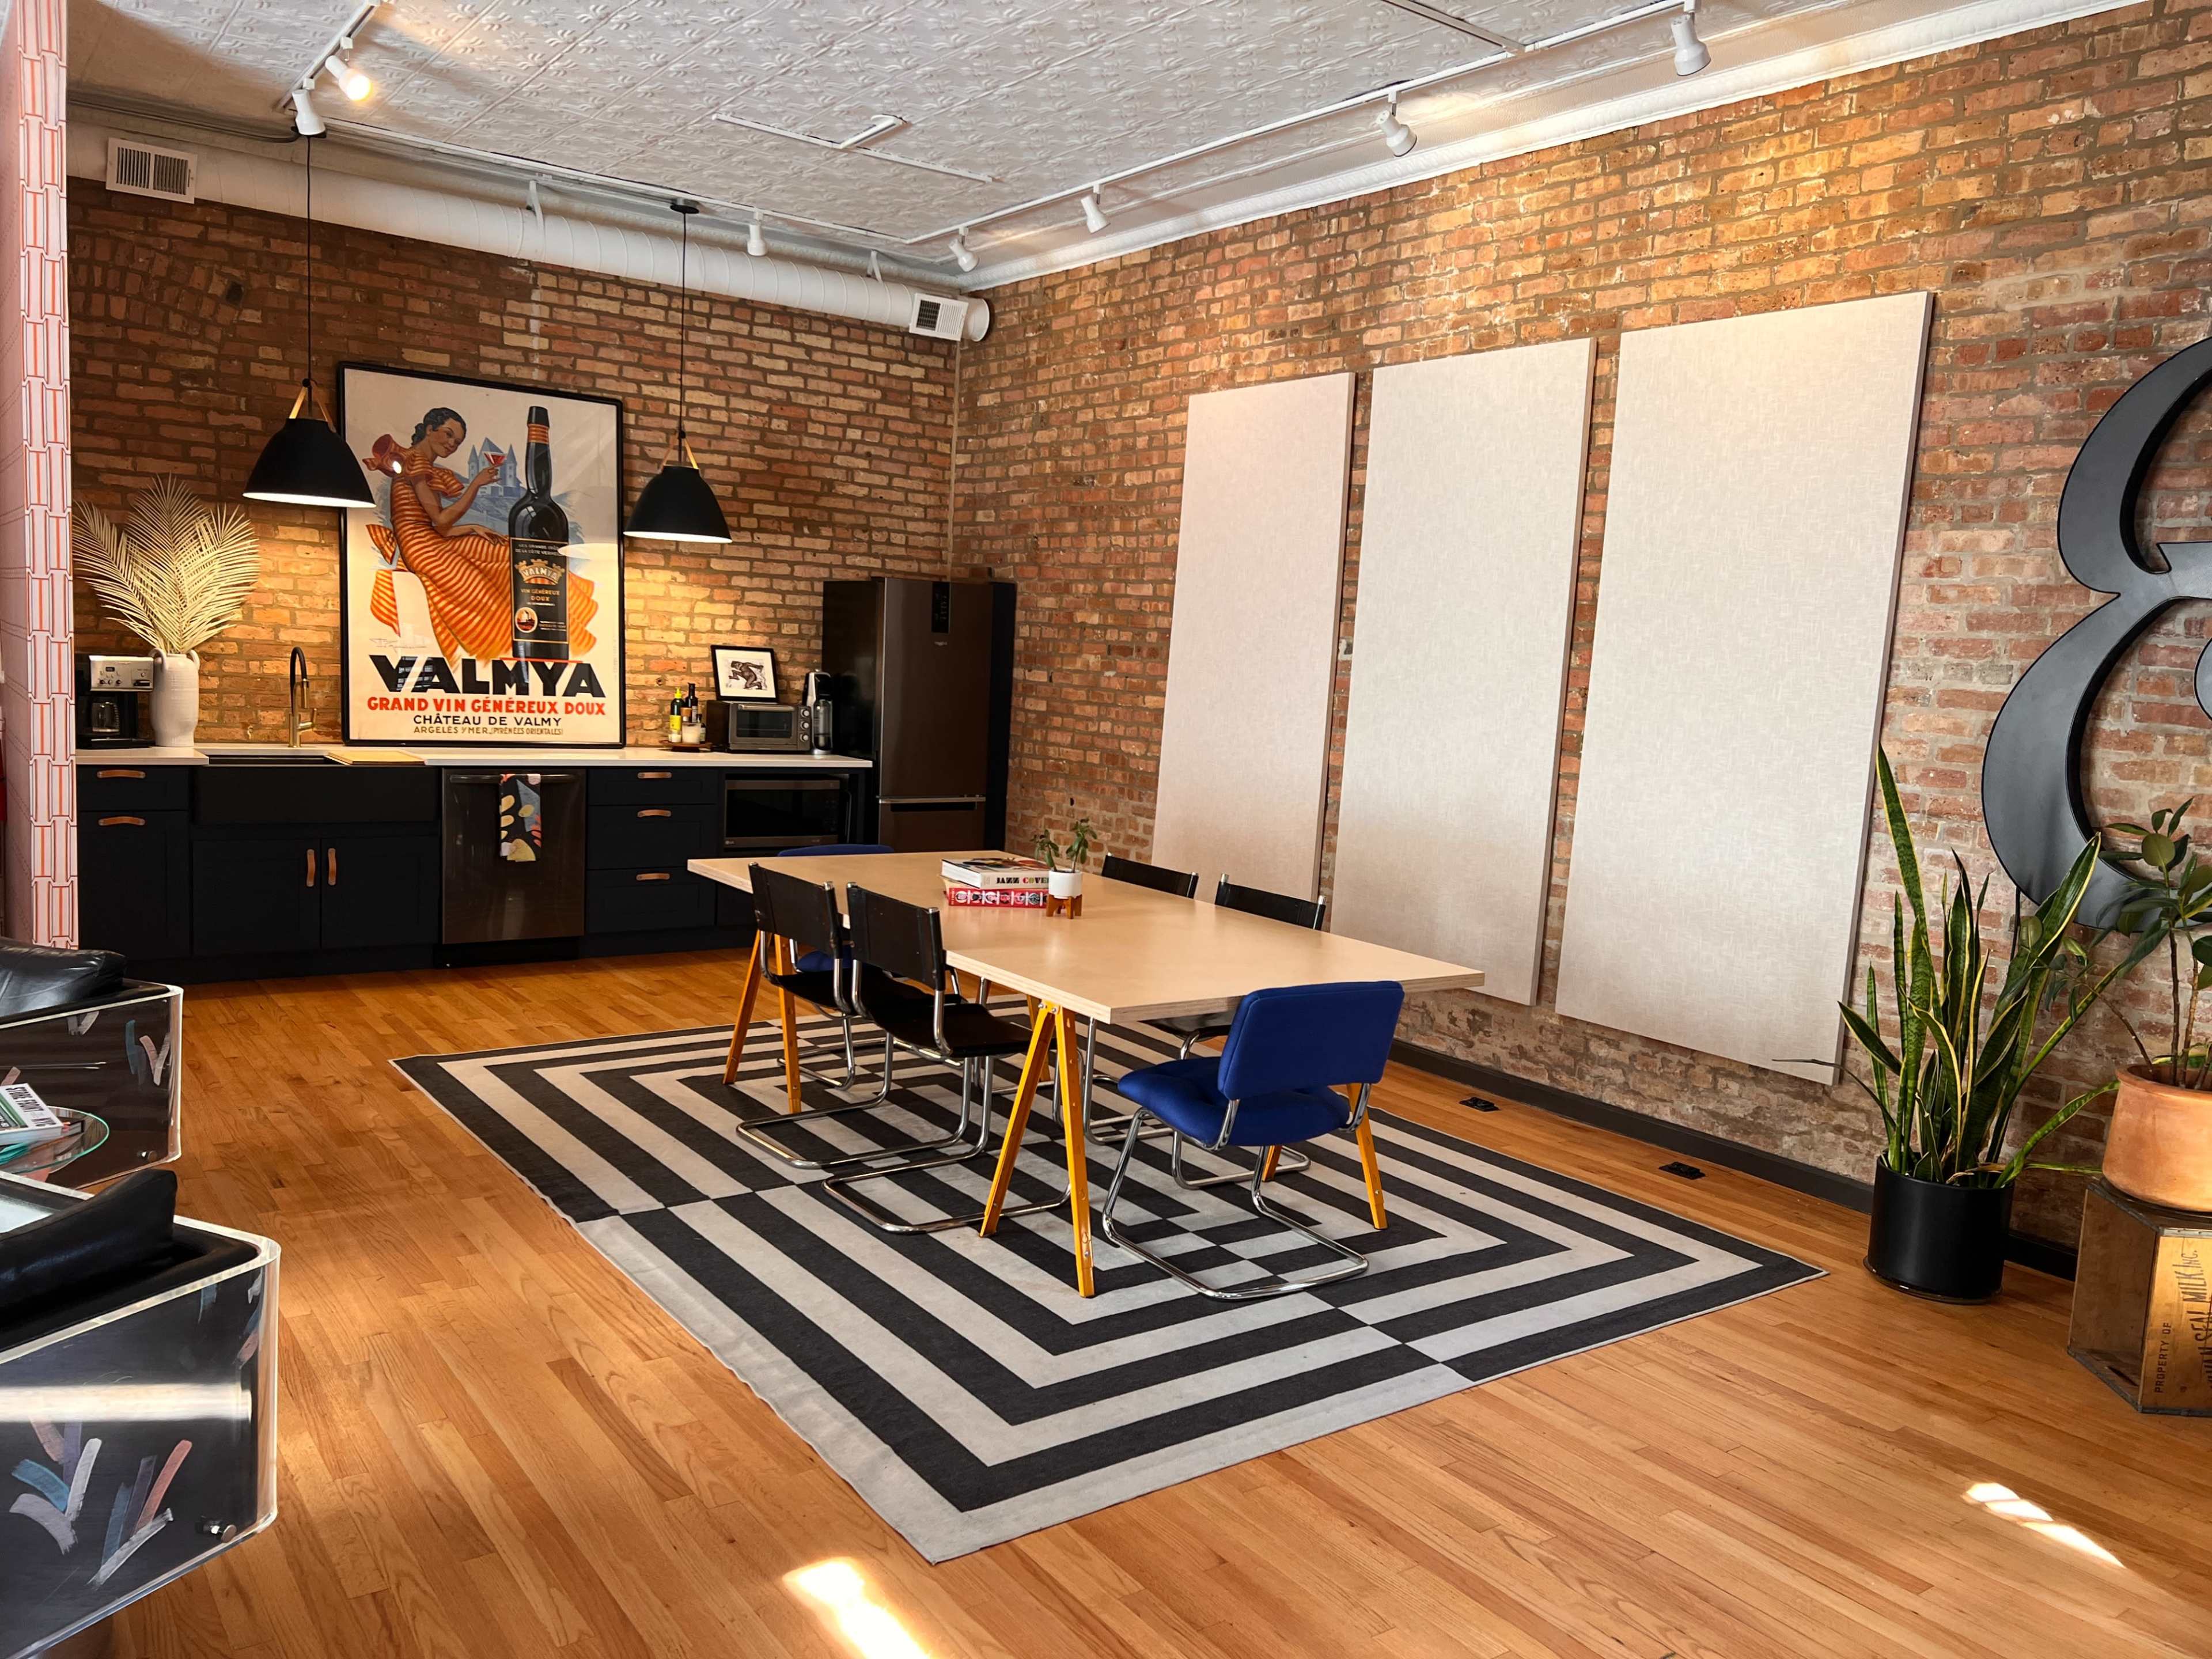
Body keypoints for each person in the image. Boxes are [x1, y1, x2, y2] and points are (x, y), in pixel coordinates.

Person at [360, 406, 597, 662]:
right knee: (496, 573)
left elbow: (438, 527)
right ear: (430, 430)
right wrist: (476, 484)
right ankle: (515, 642)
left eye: (458, 442)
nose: (453, 445)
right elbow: (440, 521)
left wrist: (473, 528)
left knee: (507, 550)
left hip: (433, 540)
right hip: (423, 549)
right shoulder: (416, 463)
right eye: (449, 435)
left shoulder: (422, 464)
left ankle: (552, 628)